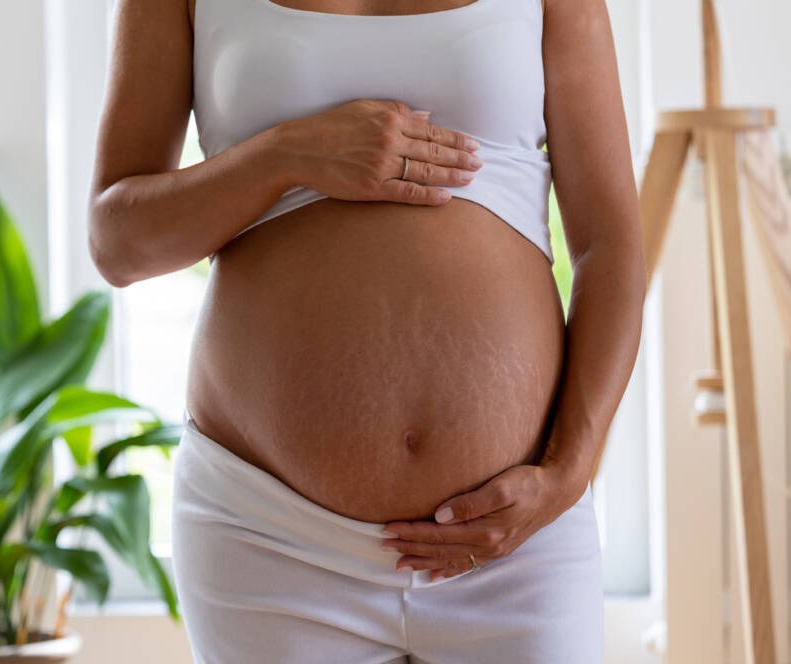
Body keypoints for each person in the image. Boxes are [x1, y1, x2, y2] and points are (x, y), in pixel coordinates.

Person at [88, 0, 646, 661]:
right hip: (269, 533)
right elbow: (117, 241)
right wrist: (283, 155)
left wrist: (566, 474)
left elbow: (609, 246)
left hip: (513, 542)